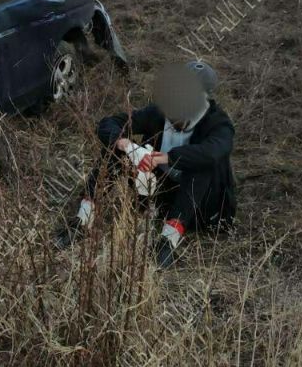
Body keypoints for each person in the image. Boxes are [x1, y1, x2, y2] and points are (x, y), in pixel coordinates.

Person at [59, 60, 236, 268]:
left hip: (202, 206)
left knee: (201, 164)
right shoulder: (159, 113)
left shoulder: (218, 123)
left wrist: (165, 157)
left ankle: (168, 240)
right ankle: (83, 218)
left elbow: (213, 152)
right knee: (116, 147)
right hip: (160, 196)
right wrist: (125, 144)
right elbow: (110, 123)